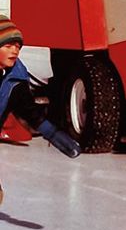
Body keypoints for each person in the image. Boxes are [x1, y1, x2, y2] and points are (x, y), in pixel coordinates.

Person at [0, 14, 81, 204]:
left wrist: (51, 132)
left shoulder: (16, 80)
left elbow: (29, 111)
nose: (15, 51)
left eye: (18, 47)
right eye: (8, 46)